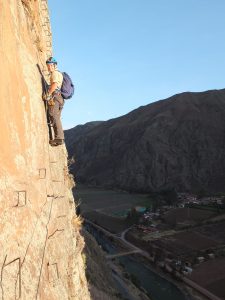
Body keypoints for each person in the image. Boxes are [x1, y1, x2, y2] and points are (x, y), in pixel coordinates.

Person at [44, 57, 64, 146]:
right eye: (48, 65)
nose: (49, 67)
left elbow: (55, 84)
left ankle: (59, 138)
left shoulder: (55, 73)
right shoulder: (57, 73)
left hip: (56, 96)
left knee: (53, 115)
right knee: (55, 116)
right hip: (59, 98)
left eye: (51, 65)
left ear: (55, 65)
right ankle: (58, 137)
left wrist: (48, 94)